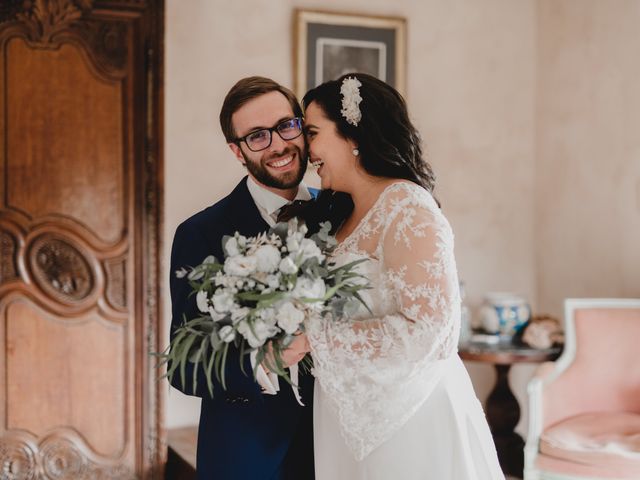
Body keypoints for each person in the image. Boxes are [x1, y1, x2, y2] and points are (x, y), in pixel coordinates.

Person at [301, 73, 505, 479]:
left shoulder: (407, 207)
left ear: (352, 135)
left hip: (408, 418)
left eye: (312, 133)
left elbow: (432, 332)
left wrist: (313, 338)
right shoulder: (341, 213)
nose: (306, 150)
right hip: (349, 415)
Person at [169, 76, 315, 480]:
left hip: (337, 449)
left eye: (287, 125)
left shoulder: (344, 210)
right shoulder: (200, 234)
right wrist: (265, 360)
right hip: (250, 458)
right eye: (257, 136)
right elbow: (184, 367)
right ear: (237, 151)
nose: (279, 145)